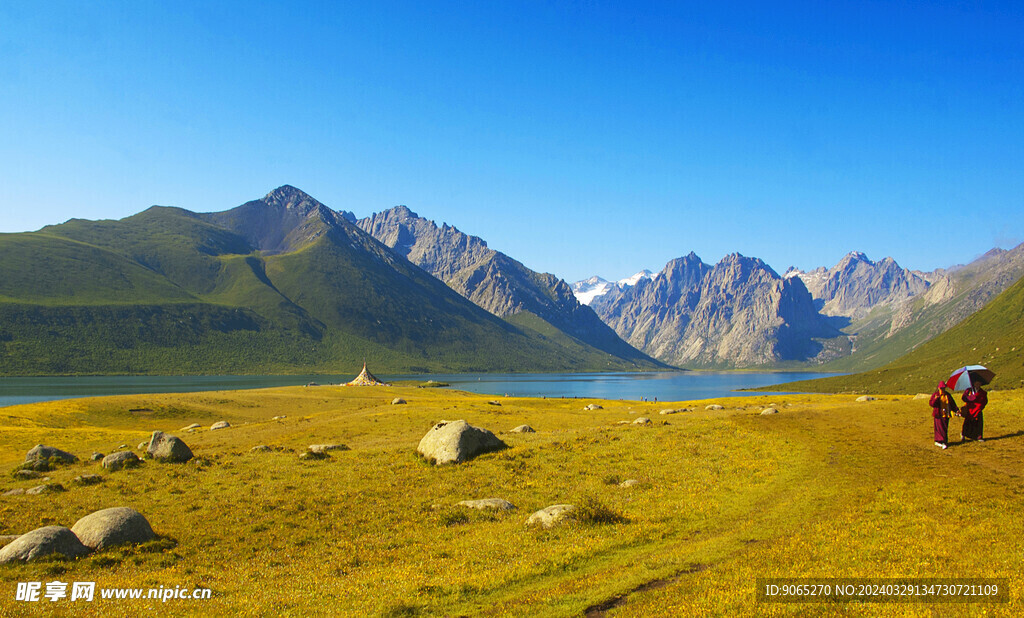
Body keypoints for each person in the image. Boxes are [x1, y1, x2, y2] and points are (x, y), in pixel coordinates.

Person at [929, 381, 959, 449]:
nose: (942, 389)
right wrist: (936, 399)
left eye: (943, 388)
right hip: (938, 414)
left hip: (946, 414)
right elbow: (931, 404)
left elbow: (952, 404)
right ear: (939, 388)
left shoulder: (947, 395)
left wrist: (956, 410)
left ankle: (943, 441)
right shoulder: (936, 394)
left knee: (944, 428)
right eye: (941, 388)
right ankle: (940, 441)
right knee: (939, 428)